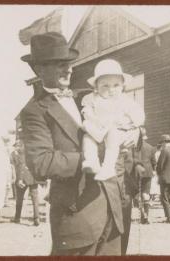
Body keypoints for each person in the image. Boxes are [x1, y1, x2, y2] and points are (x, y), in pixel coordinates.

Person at [20, 32, 123, 255]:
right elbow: (41, 162)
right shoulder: (34, 111)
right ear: (40, 70)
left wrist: (133, 135)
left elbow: (120, 119)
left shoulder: (87, 97)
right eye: (59, 64)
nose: (68, 69)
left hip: (112, 212)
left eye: (69, 63)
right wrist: (90, 158)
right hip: (76, 220)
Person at [81, 59, 145, 181]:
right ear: (96, 87)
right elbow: (86, 110)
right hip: (96, 129)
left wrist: (135, 126)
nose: (111, 90)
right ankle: (91, 161)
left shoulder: (125, 101)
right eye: (105, 85)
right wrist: (90, 118)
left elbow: (138, 114)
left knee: (112, 139)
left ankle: (108, 167)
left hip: (116, 131)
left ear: (123, 86)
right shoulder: (92, 98)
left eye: (116, 85)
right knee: (87, 138)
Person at [11, 140, 44, 226]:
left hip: (22, 179)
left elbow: (21, 166)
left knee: (19, 199)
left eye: (18, 146)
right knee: (35, 199)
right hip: (33, 179)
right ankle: (36, 218)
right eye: (16, 146)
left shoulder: (18, 154)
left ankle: (17, 218)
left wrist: (19, 179)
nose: (16, 147)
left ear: (21, 146)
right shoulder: (31, 152)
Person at [133, 127, 156, 224]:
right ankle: (146, 217)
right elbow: (154, 162)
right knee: (146, 194)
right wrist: (153, 170)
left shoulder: (134, 147)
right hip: (148, 172)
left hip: (137, 172)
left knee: (137, 195)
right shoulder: (151, 147)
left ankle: (142, 215)